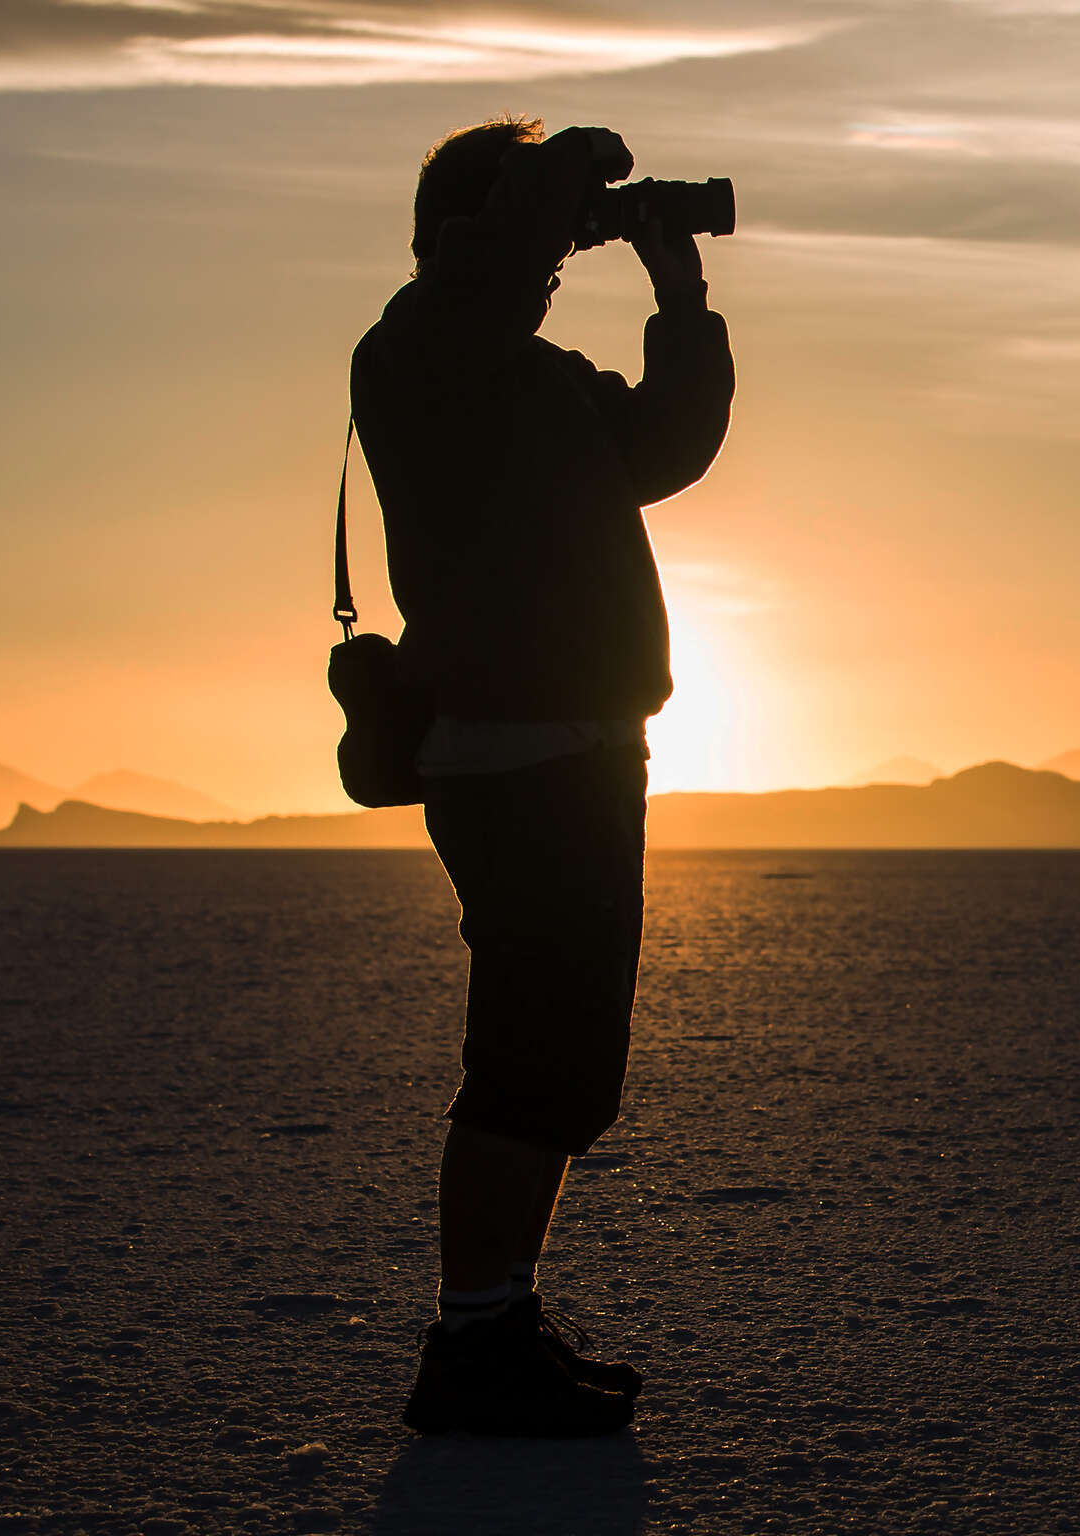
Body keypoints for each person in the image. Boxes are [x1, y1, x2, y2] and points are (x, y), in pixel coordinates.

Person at [350, 118, 733, 1437]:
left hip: (581, 748)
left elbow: (664, 448)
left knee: (566, 1065)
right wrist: (566, 166)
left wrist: (679, 297)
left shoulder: (534, 375)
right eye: (553, 240)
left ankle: (500, 1322)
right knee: (525, 1059)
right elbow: (496, 269)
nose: (560, 266)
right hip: (514, 754)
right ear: (483, 228)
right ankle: (470, 1346)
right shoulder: (419, 354)